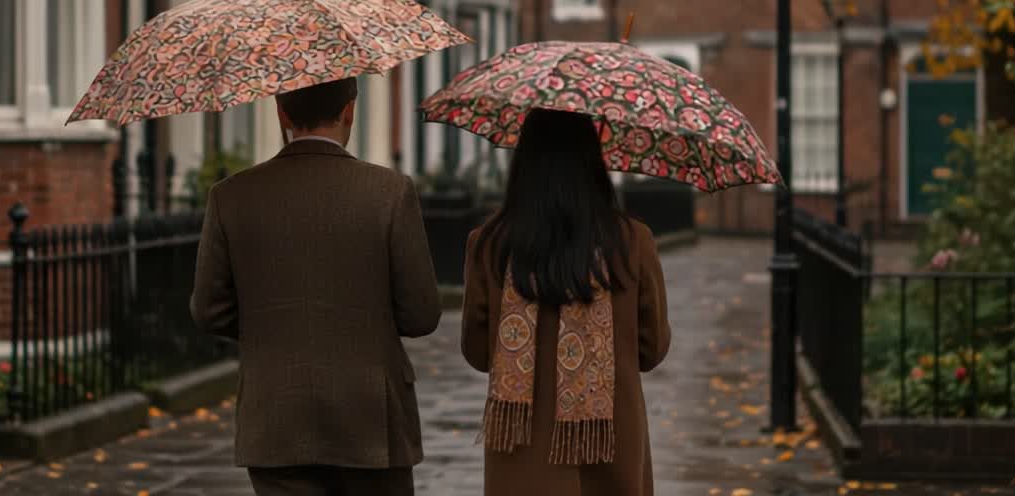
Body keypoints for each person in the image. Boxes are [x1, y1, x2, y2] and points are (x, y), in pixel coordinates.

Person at [191, 77, 441, 496]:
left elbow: (208, 309)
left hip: (275, 415)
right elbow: (421, 314)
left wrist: (274, 326)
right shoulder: (390, 193)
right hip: (371, 417)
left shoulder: (230, 196)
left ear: (281, 113)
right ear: (350, 110)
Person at [461, 108, 671, 496]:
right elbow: (652, 349)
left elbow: (477, 352)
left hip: (521, 453)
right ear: (592, 162)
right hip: (612, 446)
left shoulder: (490, 243)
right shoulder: (633, 241)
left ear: (524, 162)